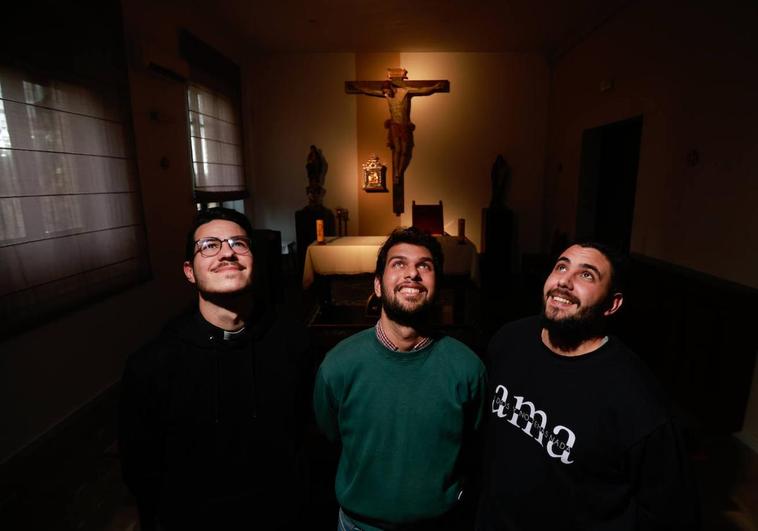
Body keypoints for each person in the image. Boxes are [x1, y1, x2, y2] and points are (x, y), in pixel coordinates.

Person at [477, 243, 700, 530]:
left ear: (612, 304)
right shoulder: (509, 340)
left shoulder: (637, 398)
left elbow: (671, 512)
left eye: (587, 276)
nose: (564, 281)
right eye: (561, 266)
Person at [118, 207, 311, 530]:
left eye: (239, 244)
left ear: (254, 262)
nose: (227, 253)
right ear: (189, 271)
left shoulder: (295, 344)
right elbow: (142, 472)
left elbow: (307, 438)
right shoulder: (152, 365)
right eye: (209, 245)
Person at [313, 226, 487, 531]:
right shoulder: (338, 365)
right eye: (399, 264)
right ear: (378, 286)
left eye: (424, 266)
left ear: (437, 285)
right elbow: (328, 441)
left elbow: (476, 449)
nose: (413, 274)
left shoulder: (468, 368)